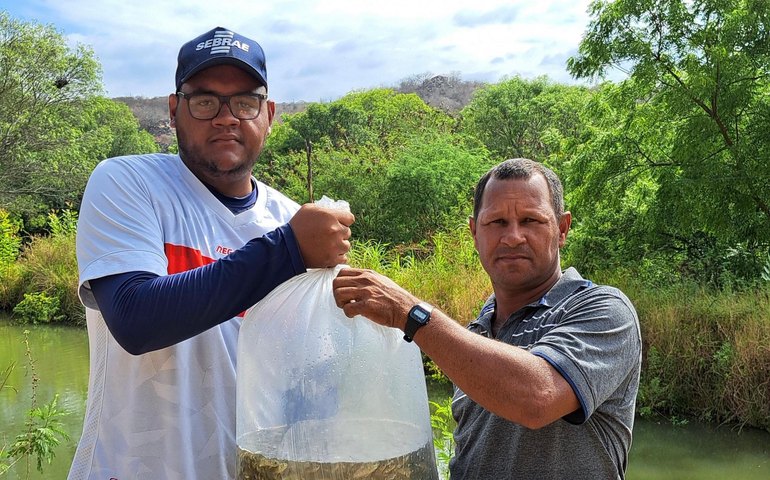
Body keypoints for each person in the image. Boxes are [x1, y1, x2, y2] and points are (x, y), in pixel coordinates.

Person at [68, 27, 354, 480]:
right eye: (204, 101)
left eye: (245, 102)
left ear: (270, 114)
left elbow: (309, 384)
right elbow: (135, 318)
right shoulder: (127, 183)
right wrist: (289, 249)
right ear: (173, 110)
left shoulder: (290, 218)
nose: (226, 117)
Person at [332, 158, 642, 479]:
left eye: (531, 220)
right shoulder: (478, 329)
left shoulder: (603, 310)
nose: (513, 237)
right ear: (474, 232)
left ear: (562, 229)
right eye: (496, 222)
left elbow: (537, 397)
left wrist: (410, 313)